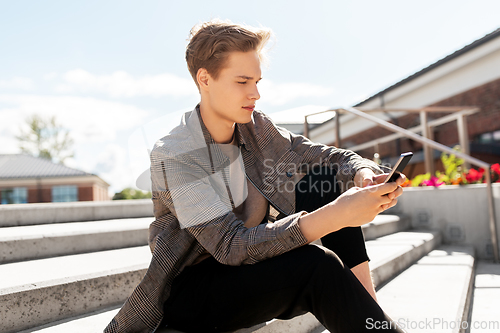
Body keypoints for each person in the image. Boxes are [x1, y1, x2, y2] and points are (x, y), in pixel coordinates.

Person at [105, 19, 406, 333]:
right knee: (318, 265)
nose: (256, 93)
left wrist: (362, 172)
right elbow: (231, 246)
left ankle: (370, 314)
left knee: (323, 183)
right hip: (195, 290)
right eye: (243, 82)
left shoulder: (254, 126)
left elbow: (322, 155)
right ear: (205, 79)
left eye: (258, 81)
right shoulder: (175, 154)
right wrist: (338, 215)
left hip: (250, 269)